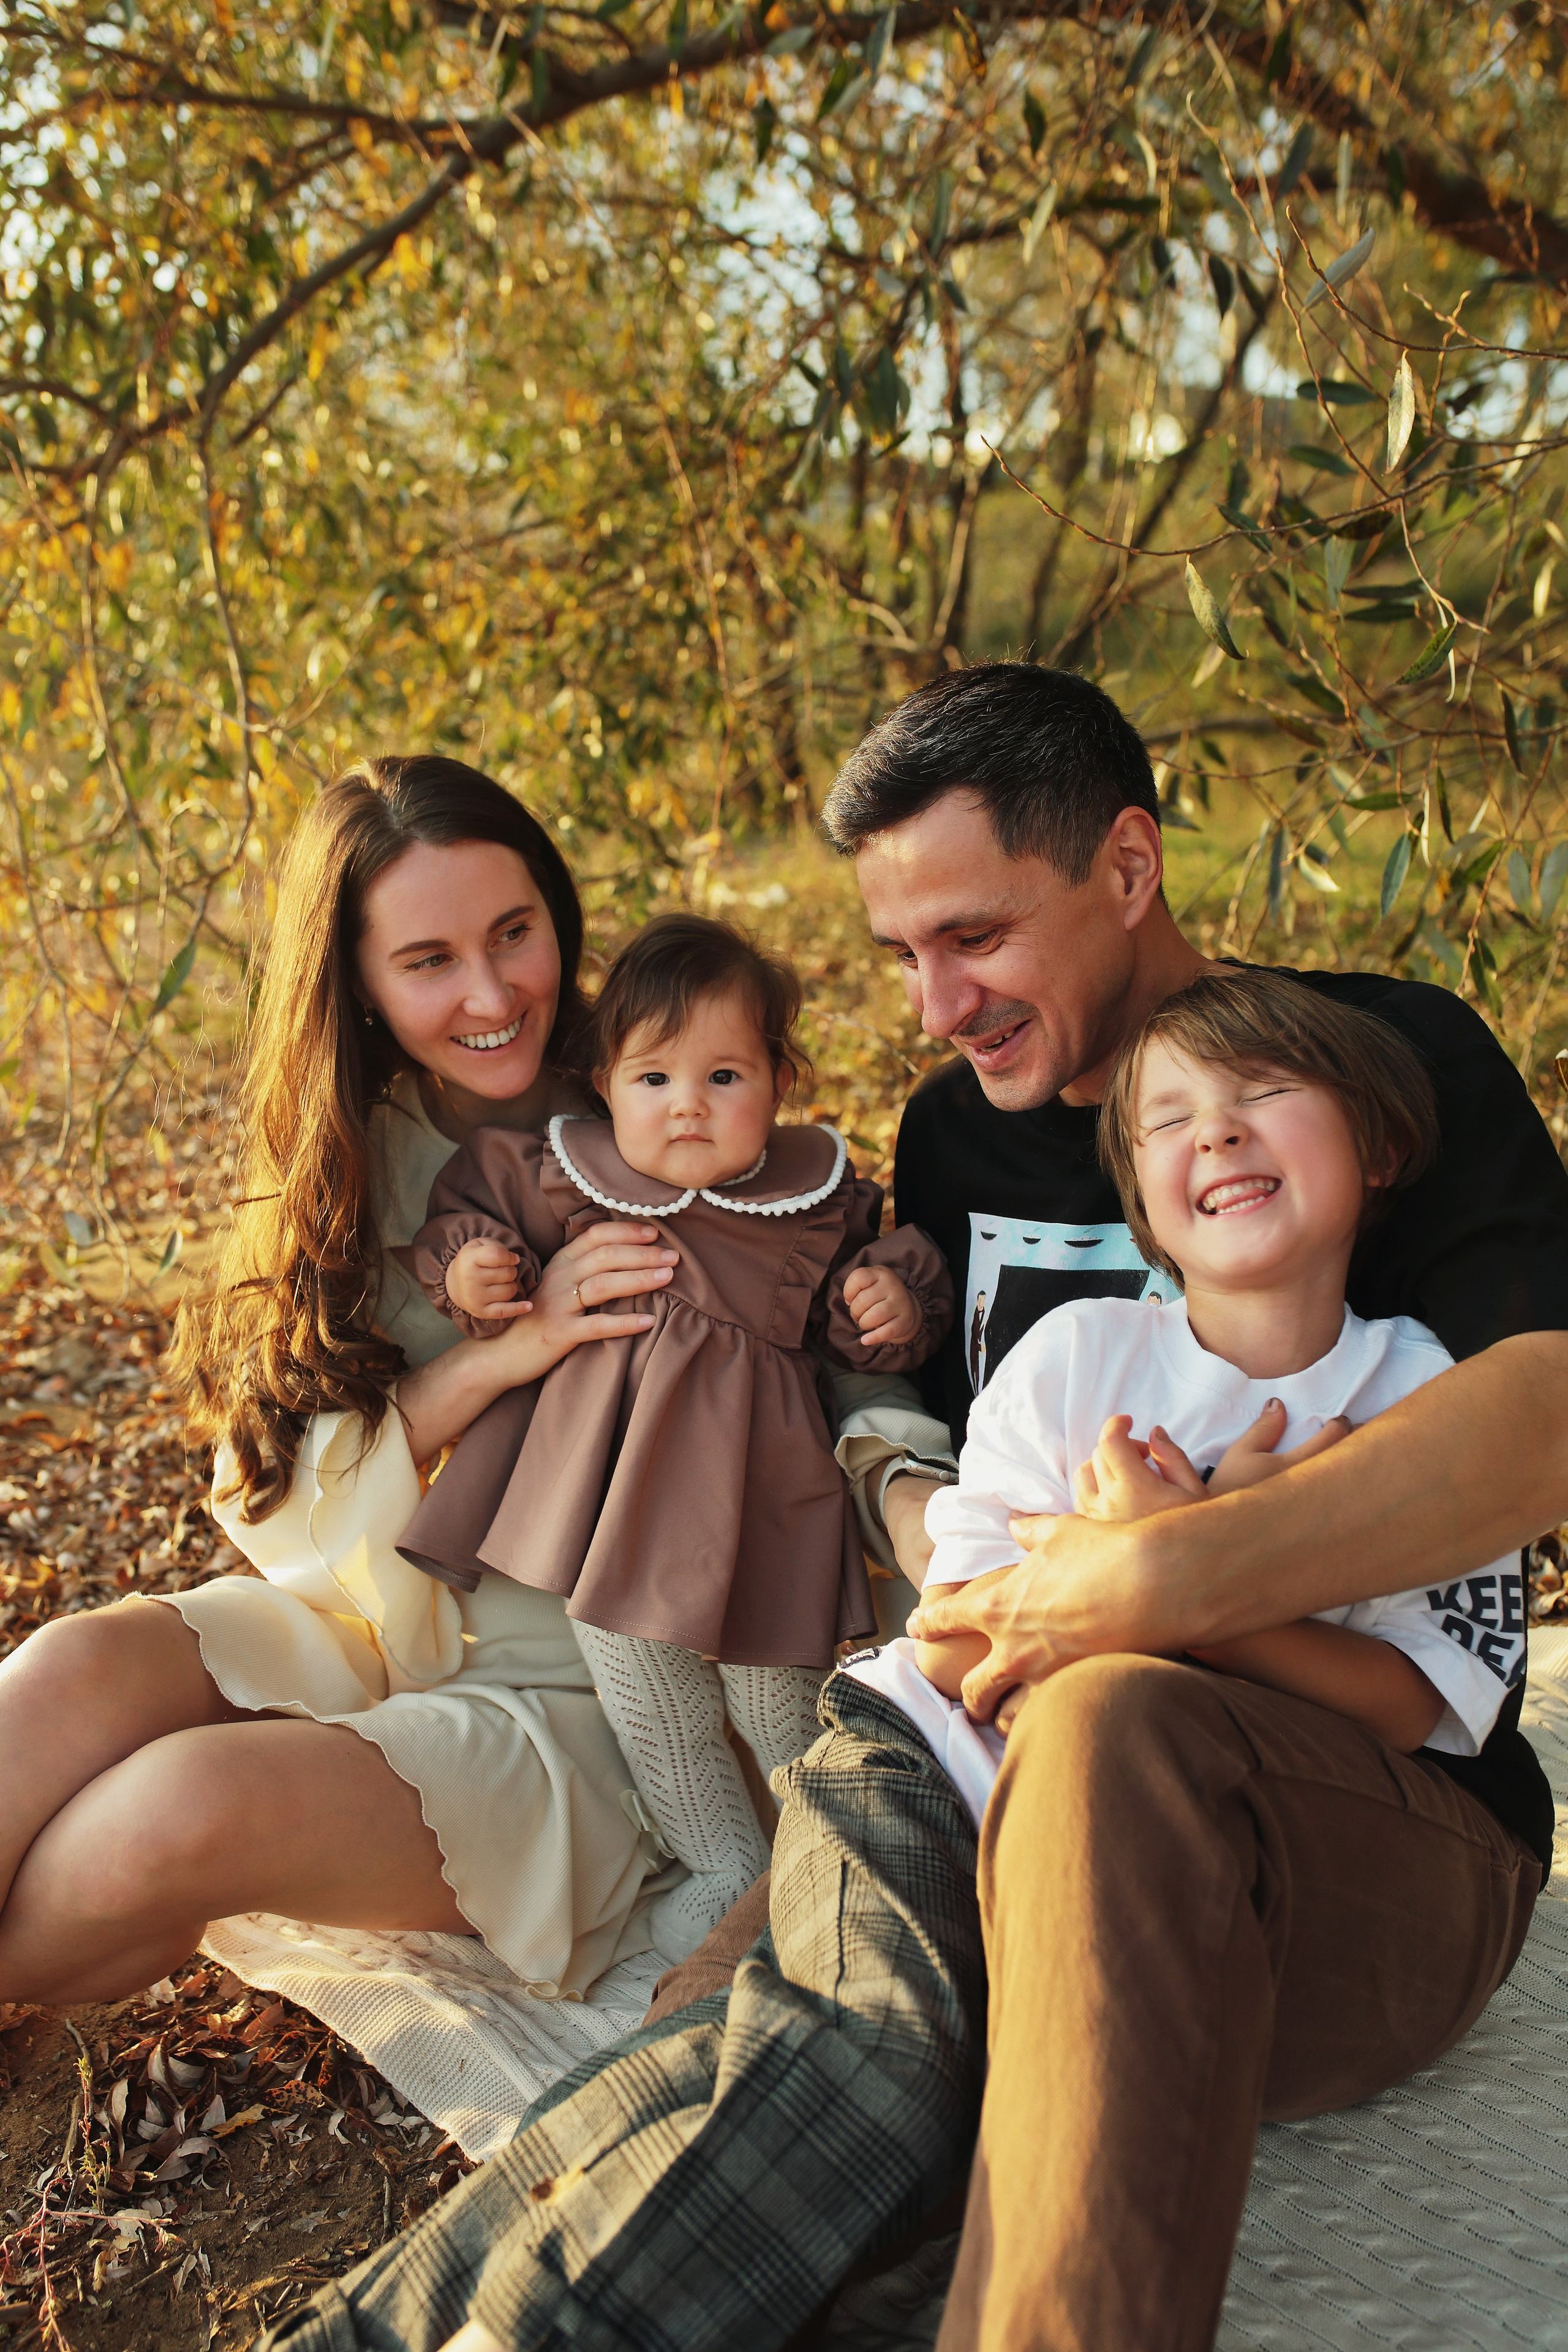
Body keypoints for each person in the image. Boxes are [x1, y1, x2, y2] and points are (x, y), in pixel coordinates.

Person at [259, 666, 1568, 2352]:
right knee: (769, 2087)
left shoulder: (1370, 1070)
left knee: (1097, 1737)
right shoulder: (960, 1134)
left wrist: (1142, 1581)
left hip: (1332, 1824)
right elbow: (909, 1463)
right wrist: (818, 1823)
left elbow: (1538, 1417)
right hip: (968, 1752)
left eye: (975, 936)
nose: (940, 1003)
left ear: (1127, 865)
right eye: (900, 954)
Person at [0, 756, 684, 2006]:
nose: (493, 994)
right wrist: (498, 1359)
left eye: (514, 932)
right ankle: (90, 1937)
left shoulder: (671, 1097)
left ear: (558, 911)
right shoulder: (349, 1157)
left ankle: (106, 1920)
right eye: (428, 961)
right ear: (358, 983)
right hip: (374, 1618)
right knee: (62, 1675)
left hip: (589, 1702)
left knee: (166, 1816)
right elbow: (269, 1485)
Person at [398, 913, 952, 1957]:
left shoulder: (814, 1197)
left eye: (724, 1076)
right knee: (651, 1702)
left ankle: (816, 1864)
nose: (687, 1104)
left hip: (767, 1503)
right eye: (653, 1078)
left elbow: (853, 1325)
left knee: (781, 1704)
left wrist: (885, 1305)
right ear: (605, 1084)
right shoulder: (569, 1174)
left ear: (779, 1082)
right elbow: (473, 1221)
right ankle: (724, 1868)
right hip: (618, 1505)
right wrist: (473, 1267)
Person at [869, 970, 1525, 1838]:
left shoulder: (1427, 1396)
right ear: (1139, 1196)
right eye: (1170, 1119)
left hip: (1188, 1825)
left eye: (1265, 1091)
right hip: (928, 1775)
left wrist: (1180, 1572)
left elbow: (1412, 1706)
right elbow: (950, 1641)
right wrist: (1165, 1558)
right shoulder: (1075, 1358)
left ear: (1380, 1151)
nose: (1216, 1130)